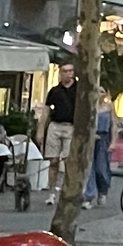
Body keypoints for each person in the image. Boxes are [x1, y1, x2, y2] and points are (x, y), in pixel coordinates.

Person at [39, 61, 79, 193]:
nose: (68, 74)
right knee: (53, 160)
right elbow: (46, 111)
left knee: (68, 160)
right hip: (55, 126)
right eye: (65, 71)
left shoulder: (79, 89)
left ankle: (67, 188)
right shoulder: (55, 91)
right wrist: (40, 130)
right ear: (60, 73)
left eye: (70, 71)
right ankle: (51, 188)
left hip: (71, 127)